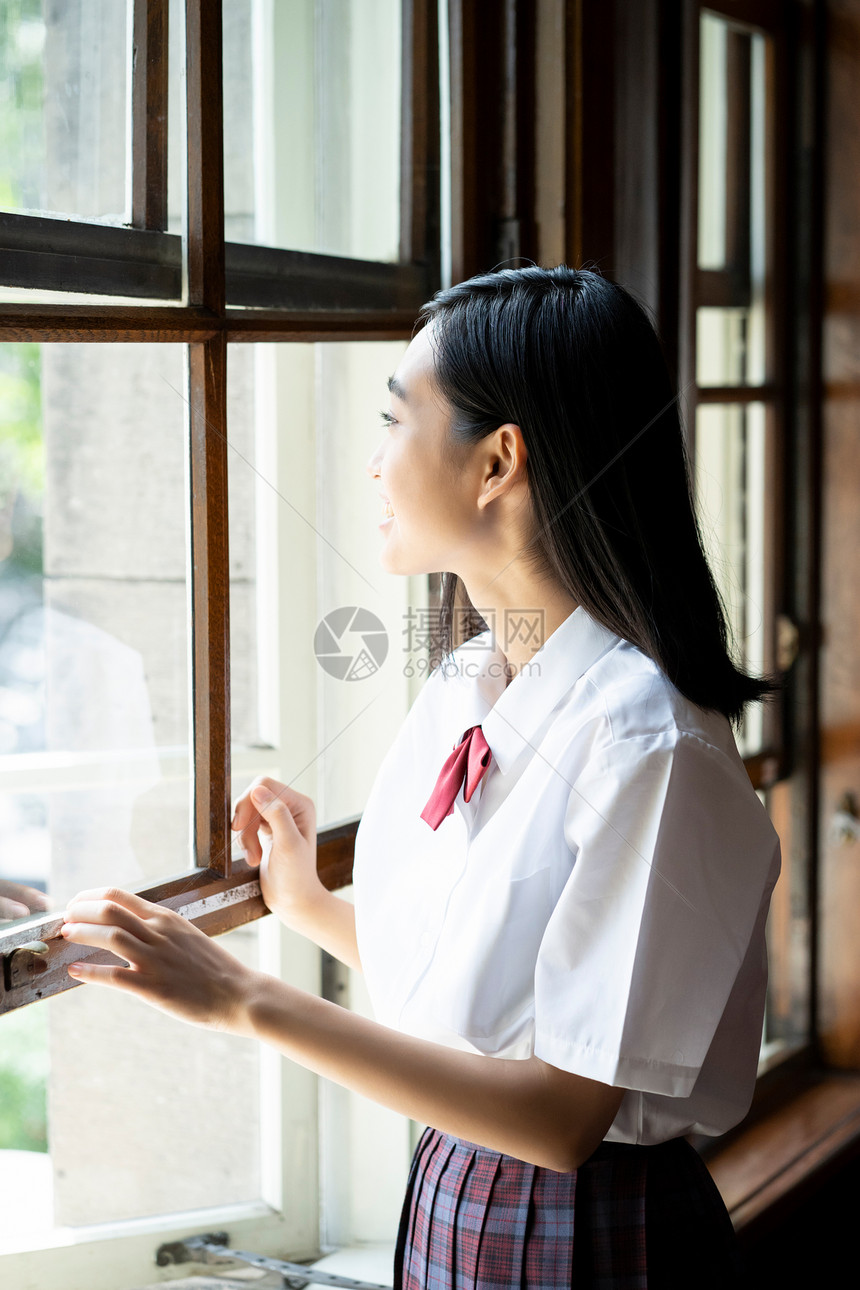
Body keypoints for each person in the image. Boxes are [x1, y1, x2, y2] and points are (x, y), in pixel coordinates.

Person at [61, 265, 781, 1288]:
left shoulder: (648, 747)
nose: (371, 465)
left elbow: (558, 1118)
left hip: (587, 1233)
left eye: (396, 419)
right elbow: (485, 1001)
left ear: (496, 461)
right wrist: (304, 903)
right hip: (450, 1194)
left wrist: (239, 999)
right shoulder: (467, 682)